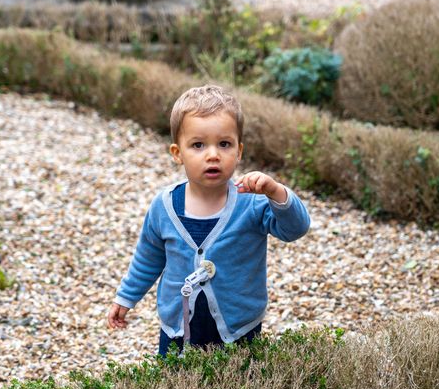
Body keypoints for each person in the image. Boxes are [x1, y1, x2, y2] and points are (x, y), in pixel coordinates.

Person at [107, 84, 310, 355]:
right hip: (178, 326)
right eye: (198, 145)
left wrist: (276, 192)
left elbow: (295, 229)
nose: (212, 154)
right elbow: (149, 257)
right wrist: (126, 297)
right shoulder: (163, 206)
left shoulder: (252, 202)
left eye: (224, 144)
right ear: (178, 153)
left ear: (238, 151)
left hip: (239, 328)